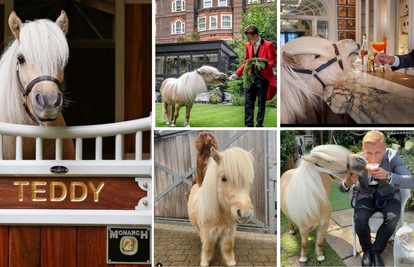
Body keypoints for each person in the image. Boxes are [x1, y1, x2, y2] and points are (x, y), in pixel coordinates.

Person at [338, 131, 414, 267]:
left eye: (378, 153)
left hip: (389, 196)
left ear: (384, 150)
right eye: (369, 153)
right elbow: (341, 187)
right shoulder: (357, 159)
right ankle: (367, 250)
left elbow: (410, 182)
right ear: (363, 150)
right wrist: (348, 182)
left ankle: (376, 251)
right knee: (359, 219)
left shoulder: (393, 156)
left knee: (392, 219)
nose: (373, 158)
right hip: (365, 195)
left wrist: (388, 176)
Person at [228, 25, 276, 127]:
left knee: (261, 103)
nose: (248, 41)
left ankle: (259, 124)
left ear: (255, 36)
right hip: (250, 77)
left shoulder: (268, 45)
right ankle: (248, 124)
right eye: (247, 39)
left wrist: (264, 65)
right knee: (248, 101)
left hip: (263, 78)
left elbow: (273, 61)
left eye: (249, 38)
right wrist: (237, 74)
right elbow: (245, 62)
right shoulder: (248, 45)